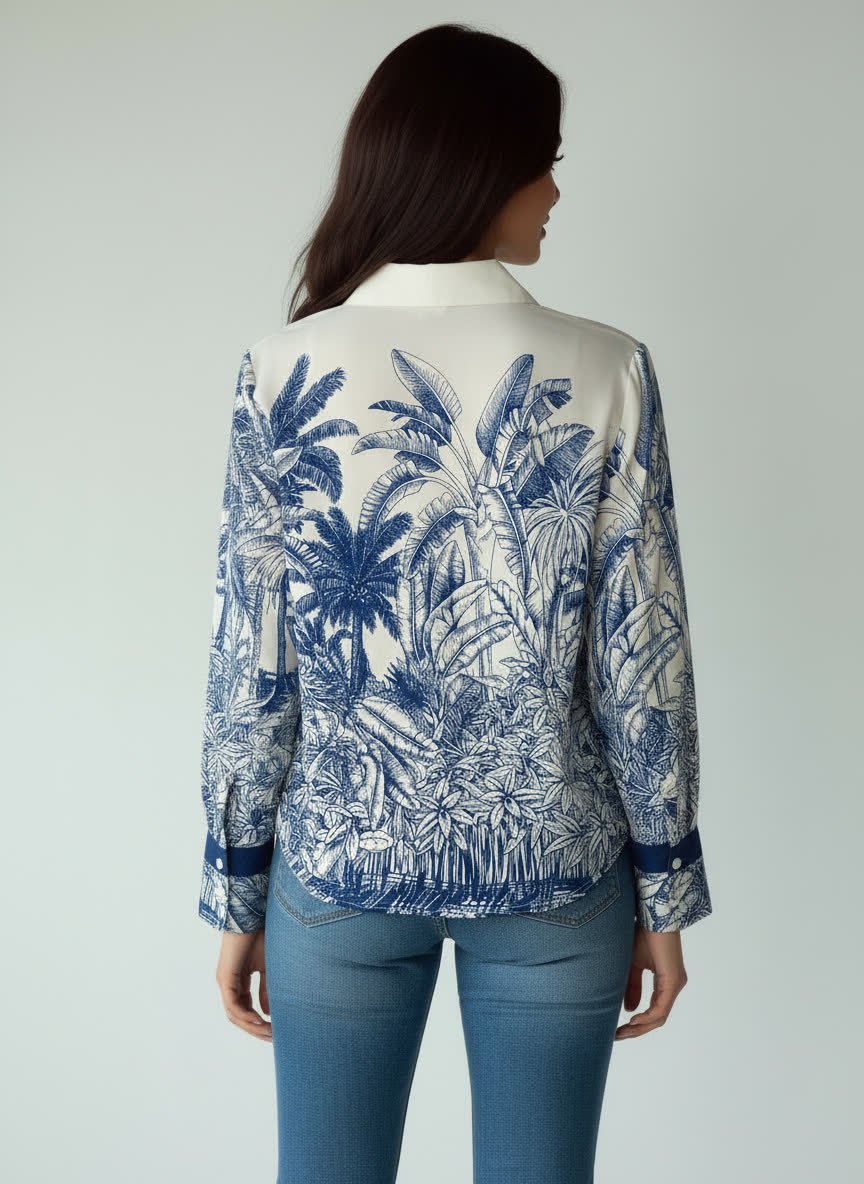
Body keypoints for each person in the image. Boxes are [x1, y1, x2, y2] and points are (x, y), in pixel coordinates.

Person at [196, 22, 712, 1184]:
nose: (556, 192)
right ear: (484, 168)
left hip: (335, 874)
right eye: (545, 161)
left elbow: (250, 662)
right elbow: (645, 663)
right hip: (560, 877)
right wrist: (666, 888)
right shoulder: (608, 365)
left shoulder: (281, 366)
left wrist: (236, 890)